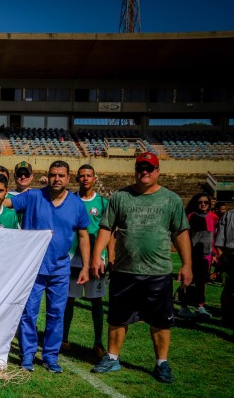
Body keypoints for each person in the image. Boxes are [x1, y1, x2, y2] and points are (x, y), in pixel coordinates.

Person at [0, 161, 90, 372]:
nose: (57, 179)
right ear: (48, 176)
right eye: (53, 174)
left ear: (68, 178)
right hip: (32, 266)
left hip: (61, 267)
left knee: (56, 313)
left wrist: (86, 266)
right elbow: (4, 201)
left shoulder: (77, 204)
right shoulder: (33, 196)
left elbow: (83, 235)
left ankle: (51, 357)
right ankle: (27, 355)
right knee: (28, 313)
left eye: (61, 175)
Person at [91, 152, 191, 384]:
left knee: (160, 321)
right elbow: (106, 227)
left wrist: (187, 264)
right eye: (140, 168)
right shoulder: (121, 197)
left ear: (157, 171)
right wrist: (97, 256)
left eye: (149, 168)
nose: (144, 172)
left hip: (158, 272)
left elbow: (180, 233)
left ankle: (161, 363)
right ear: (135, 170)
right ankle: (112, 357)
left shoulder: (171, 200)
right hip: (124, 270)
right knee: (118, 318)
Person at [63, 165, 110, 357]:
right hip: (72, 258)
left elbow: (110, 231)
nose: (85, 179)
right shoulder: (70, 200)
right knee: (69, 300)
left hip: (96, 260)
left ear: (94, 179)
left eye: (89, 176)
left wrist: (111, 256)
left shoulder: (103, 202)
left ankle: (98, 343)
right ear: (77, 179)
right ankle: (64, 339)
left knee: (96, 301)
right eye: (81, 176)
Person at [177, 193, 215, 320]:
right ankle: (183, 307)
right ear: (196, 203)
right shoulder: (191, 216)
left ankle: (200, 306)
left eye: (206, 202)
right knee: (188, 280)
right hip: (193, 255)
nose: (203, 204)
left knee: (202, 282)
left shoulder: (211, 216)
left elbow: (212, 237)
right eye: (200, 202)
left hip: (207, 255)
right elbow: (186, 237)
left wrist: (214, 253)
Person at [215, 205, 234, 328]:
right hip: (230, 256)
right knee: (229, 288)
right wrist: (222, 259)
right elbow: (219, 240)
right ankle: (227, 318)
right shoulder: (229, 215)